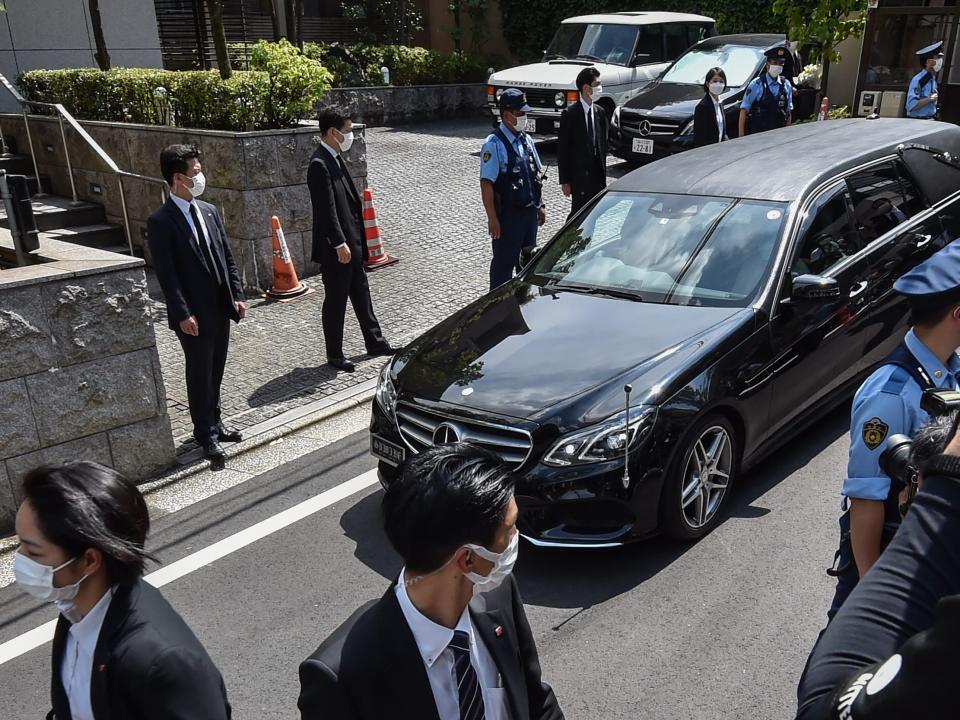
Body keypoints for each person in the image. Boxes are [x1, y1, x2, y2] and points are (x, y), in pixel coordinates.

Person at [298, 443, 565, 720]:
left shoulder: (499, 595)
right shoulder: (340, 677)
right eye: (509, 528)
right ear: (468, 560)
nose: (514, 537)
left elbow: (535, 701)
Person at [13, 462, 232, 719]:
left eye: (33, 551)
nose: (20, 558)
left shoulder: (163, 662)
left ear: (90, 561)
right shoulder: (74, 610)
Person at [826, 239, 960, 620]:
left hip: (935, 549)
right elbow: (867, 501)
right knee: (854, 666)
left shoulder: (952, 367)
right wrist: (871, 602)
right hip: (892, 554)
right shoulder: (891, 395)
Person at [795, 413, 960, 720]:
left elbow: (830, 701)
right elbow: (865, 498)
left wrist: (946, 481)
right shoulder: (889, 392)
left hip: (906, 581)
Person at [148, 145, 246, 470]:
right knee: (199, 373)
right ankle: (205, 434)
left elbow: (226, 256)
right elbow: (167, 275)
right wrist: (182, 313)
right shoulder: (161, 222)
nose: (200, 176)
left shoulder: (209, 210)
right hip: (194, 315)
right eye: (195, 172)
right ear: (178, 178)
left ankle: (217, 423)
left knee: (216, 369)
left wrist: (237, 293)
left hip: (221, 307)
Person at [309, 111, 396, 373]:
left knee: (361, 294)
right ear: (332, 132)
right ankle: (334, 353)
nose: (351, 136)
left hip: (353, 243)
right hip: (337, 249)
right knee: (336, 301)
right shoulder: (319, 164)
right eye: (347, 130)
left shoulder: (335, 158)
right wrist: (338, 243)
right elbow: (326, 210)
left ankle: (375, 342)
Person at [480, 89, 547, 290]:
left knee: (527, 263)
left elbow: (535, 174)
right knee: (503, 266)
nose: (524, 117)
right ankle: (497, 310)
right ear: (508, 115)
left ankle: (523, 302)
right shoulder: (494, 144)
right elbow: (486, 183)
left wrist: (540, 204)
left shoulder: (526, 139)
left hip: (529, 214)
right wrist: (492, 217)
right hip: (508, 217)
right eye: (521, 113)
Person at [557, 67, 608, 218]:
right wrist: (565, 181)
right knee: (578, 214)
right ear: (586, 88)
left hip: (597, 174)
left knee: (596, 213)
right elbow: (563, 149)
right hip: (579, 176)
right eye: (597, 84)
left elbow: (603, 144)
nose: (600, 88)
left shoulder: (600, 112)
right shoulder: (570, 114)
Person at [739, 44, 794, 137]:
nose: (778, 65)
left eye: (781, 63)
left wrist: (787, 137)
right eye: (775, 62)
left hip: (778, 137)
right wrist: (741, 138)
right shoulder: (756, 84)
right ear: (768, 63)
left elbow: (788, 113)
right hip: (757, 138)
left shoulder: (786, 85)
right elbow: (744, 111)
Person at [906, 41, 944, 120]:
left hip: (930, 120)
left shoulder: (932, 79)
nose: (940, 60)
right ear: (928, 62)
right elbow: (911, 105)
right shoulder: (918, 80)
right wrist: (930, 98)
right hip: (917, 122)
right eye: (937, 57)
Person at [693, 67, 729, 148]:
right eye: (715, 81)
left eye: (721, 81)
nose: (718, 84)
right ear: (707, 83)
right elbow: (700, 138)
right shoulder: (702, 107)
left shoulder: (720, 103)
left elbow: (722, 131)